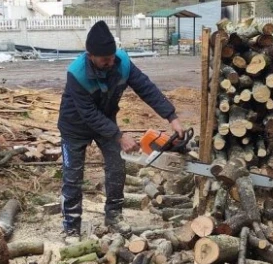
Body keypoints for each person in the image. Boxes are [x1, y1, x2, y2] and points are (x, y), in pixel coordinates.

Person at [58, 20, 183, 242]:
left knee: (117, 167)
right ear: (90, 55)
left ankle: (114, 216)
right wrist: (119, 135)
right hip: (75, 126)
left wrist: (171, 116)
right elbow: (88, 114)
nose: (110, 62)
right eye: (104, 59)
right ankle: (71, 226)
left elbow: (146, 88)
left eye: (112, 56)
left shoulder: (122, 62)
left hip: (106, 121)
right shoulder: (76, 73)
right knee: (73, 176)